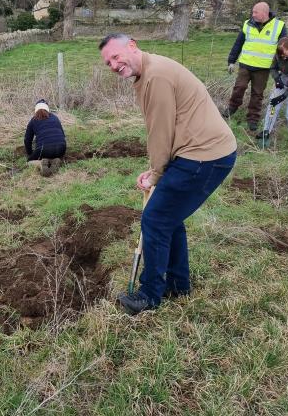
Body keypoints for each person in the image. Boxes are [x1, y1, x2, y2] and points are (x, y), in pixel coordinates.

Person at [99, 34, 237, 315]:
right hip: (202, 151)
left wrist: (156, 175)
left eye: (115, 56)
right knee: (169, 217)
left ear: (133, 45)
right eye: (108, 62)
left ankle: (150, 294)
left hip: (205, 155)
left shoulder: (156, 76)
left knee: (156, 218)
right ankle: (178, 283)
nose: (113, 65)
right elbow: (167, 128)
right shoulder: (148, 73)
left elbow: (160, 132)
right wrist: (155, 171)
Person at [223, 2, 288, 132]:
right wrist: (231, 61)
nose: (252, 15)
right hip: (245, 64)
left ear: (264, 13)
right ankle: (232, 108)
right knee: (239, 87)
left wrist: (281, 68)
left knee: (257, 94)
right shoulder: (247, 24)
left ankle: (253, 118)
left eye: (255, 12)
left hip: (263, 68)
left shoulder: (279, 26)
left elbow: (282, 49)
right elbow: (238, 43)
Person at [24, 99, 66, 176]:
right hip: (61, 149)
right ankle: (54, 161)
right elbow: (63, 135)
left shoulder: (33, 120)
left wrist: (30, 154)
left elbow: (27, 140)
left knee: (28, 162)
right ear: (47, 109)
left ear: (36, 110)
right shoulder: (55, 118)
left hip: (44, 149)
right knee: (51, 154)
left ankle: (40, 163)